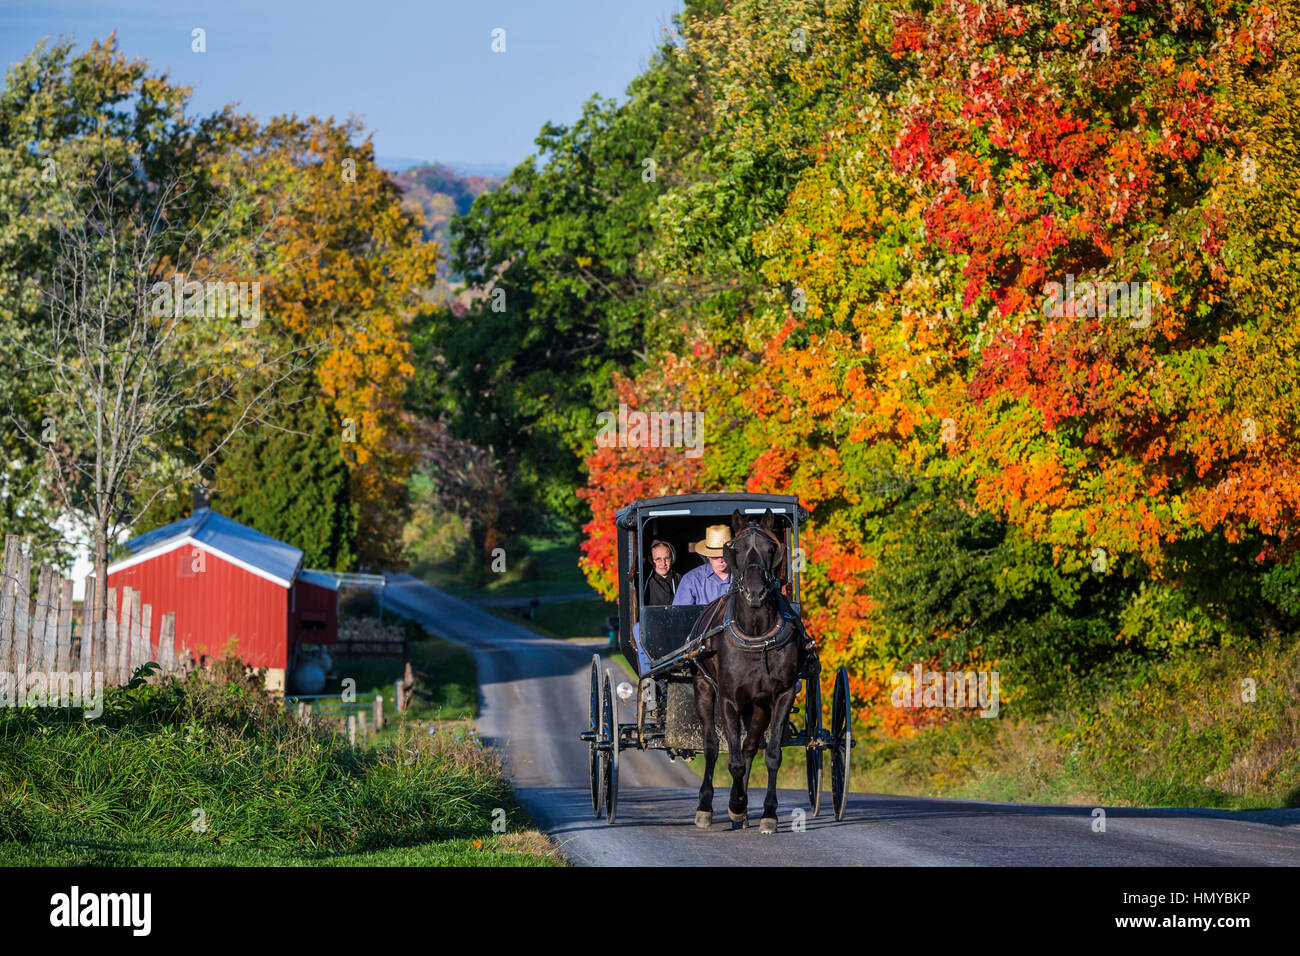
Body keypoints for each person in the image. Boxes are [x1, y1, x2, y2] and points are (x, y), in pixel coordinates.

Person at [672, 524, 734, 607]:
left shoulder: (744, 576)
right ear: (707, 555)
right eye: (715, 556)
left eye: (724, 556)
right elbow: (679, 614)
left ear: (731, 554)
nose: (720, 560)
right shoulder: (691, 580)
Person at [642, 539, 680, 606]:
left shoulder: (681, 580)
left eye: (667, 558)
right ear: (651, 560)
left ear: (672, 558)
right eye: (658, 559)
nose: (663, 563)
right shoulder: (644, 582)